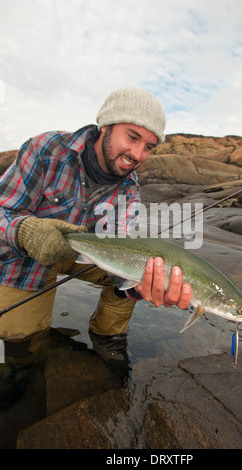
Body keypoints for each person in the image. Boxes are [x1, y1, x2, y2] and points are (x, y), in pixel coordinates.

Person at [0, 87, 192, 367]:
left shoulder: (130, 188)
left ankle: (107, 337)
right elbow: (3, 209)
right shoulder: (45, 150)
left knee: (139, 269)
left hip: (88, 255)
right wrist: (25, 231)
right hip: (27, 259)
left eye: (149, 147)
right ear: (106, 127)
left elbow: (122, 244)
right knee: (21, 347)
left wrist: (141, 286)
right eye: (132, 137)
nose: (137, 154)